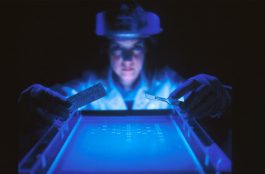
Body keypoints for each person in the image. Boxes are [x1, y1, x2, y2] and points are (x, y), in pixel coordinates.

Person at [18, 2, 231, 157]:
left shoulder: (168, 86)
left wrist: (222, 97)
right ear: (106, 51)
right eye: (118, 48)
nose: (127, 59)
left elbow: (208, 101)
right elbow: (53, 102)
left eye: (136, 47)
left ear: (147, 49)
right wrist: (30, 104)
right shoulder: (87, 90)